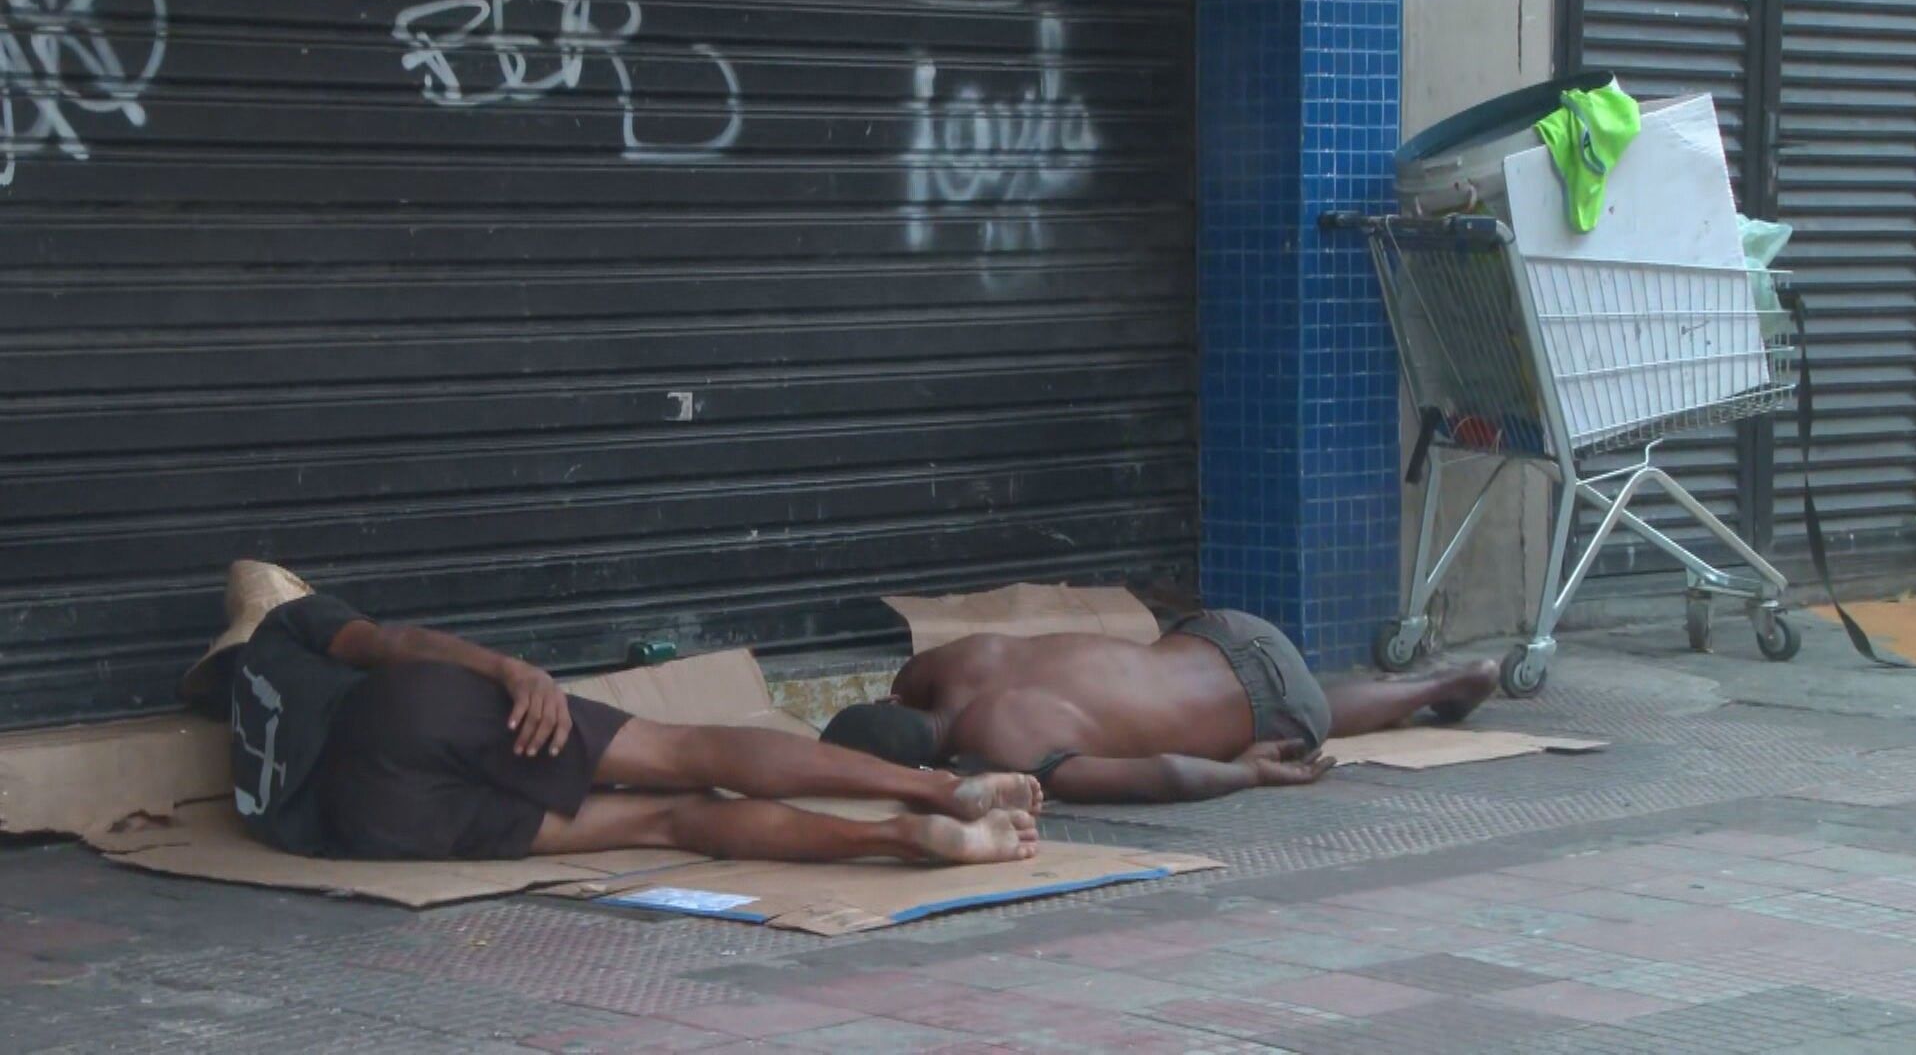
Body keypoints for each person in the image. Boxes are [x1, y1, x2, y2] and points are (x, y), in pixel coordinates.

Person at [178, 561, 1042, 865]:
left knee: (669, 822)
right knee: (683, 750)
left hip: (373, 822)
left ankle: (896, 843)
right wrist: (512, 669)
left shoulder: (249, 731)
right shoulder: (290, 629)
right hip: (406, 712)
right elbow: (390, 644)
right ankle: (932, 797)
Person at [821, 610, 1501, 803]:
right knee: (1245, 686)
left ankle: (1437, 688)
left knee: (1299, 708)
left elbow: (1170, 776)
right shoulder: (945, 663)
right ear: (892, 698)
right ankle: (1442, 684)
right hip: (1219, 628)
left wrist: (1250, 773)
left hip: (1277, 707)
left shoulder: (1010, 754)